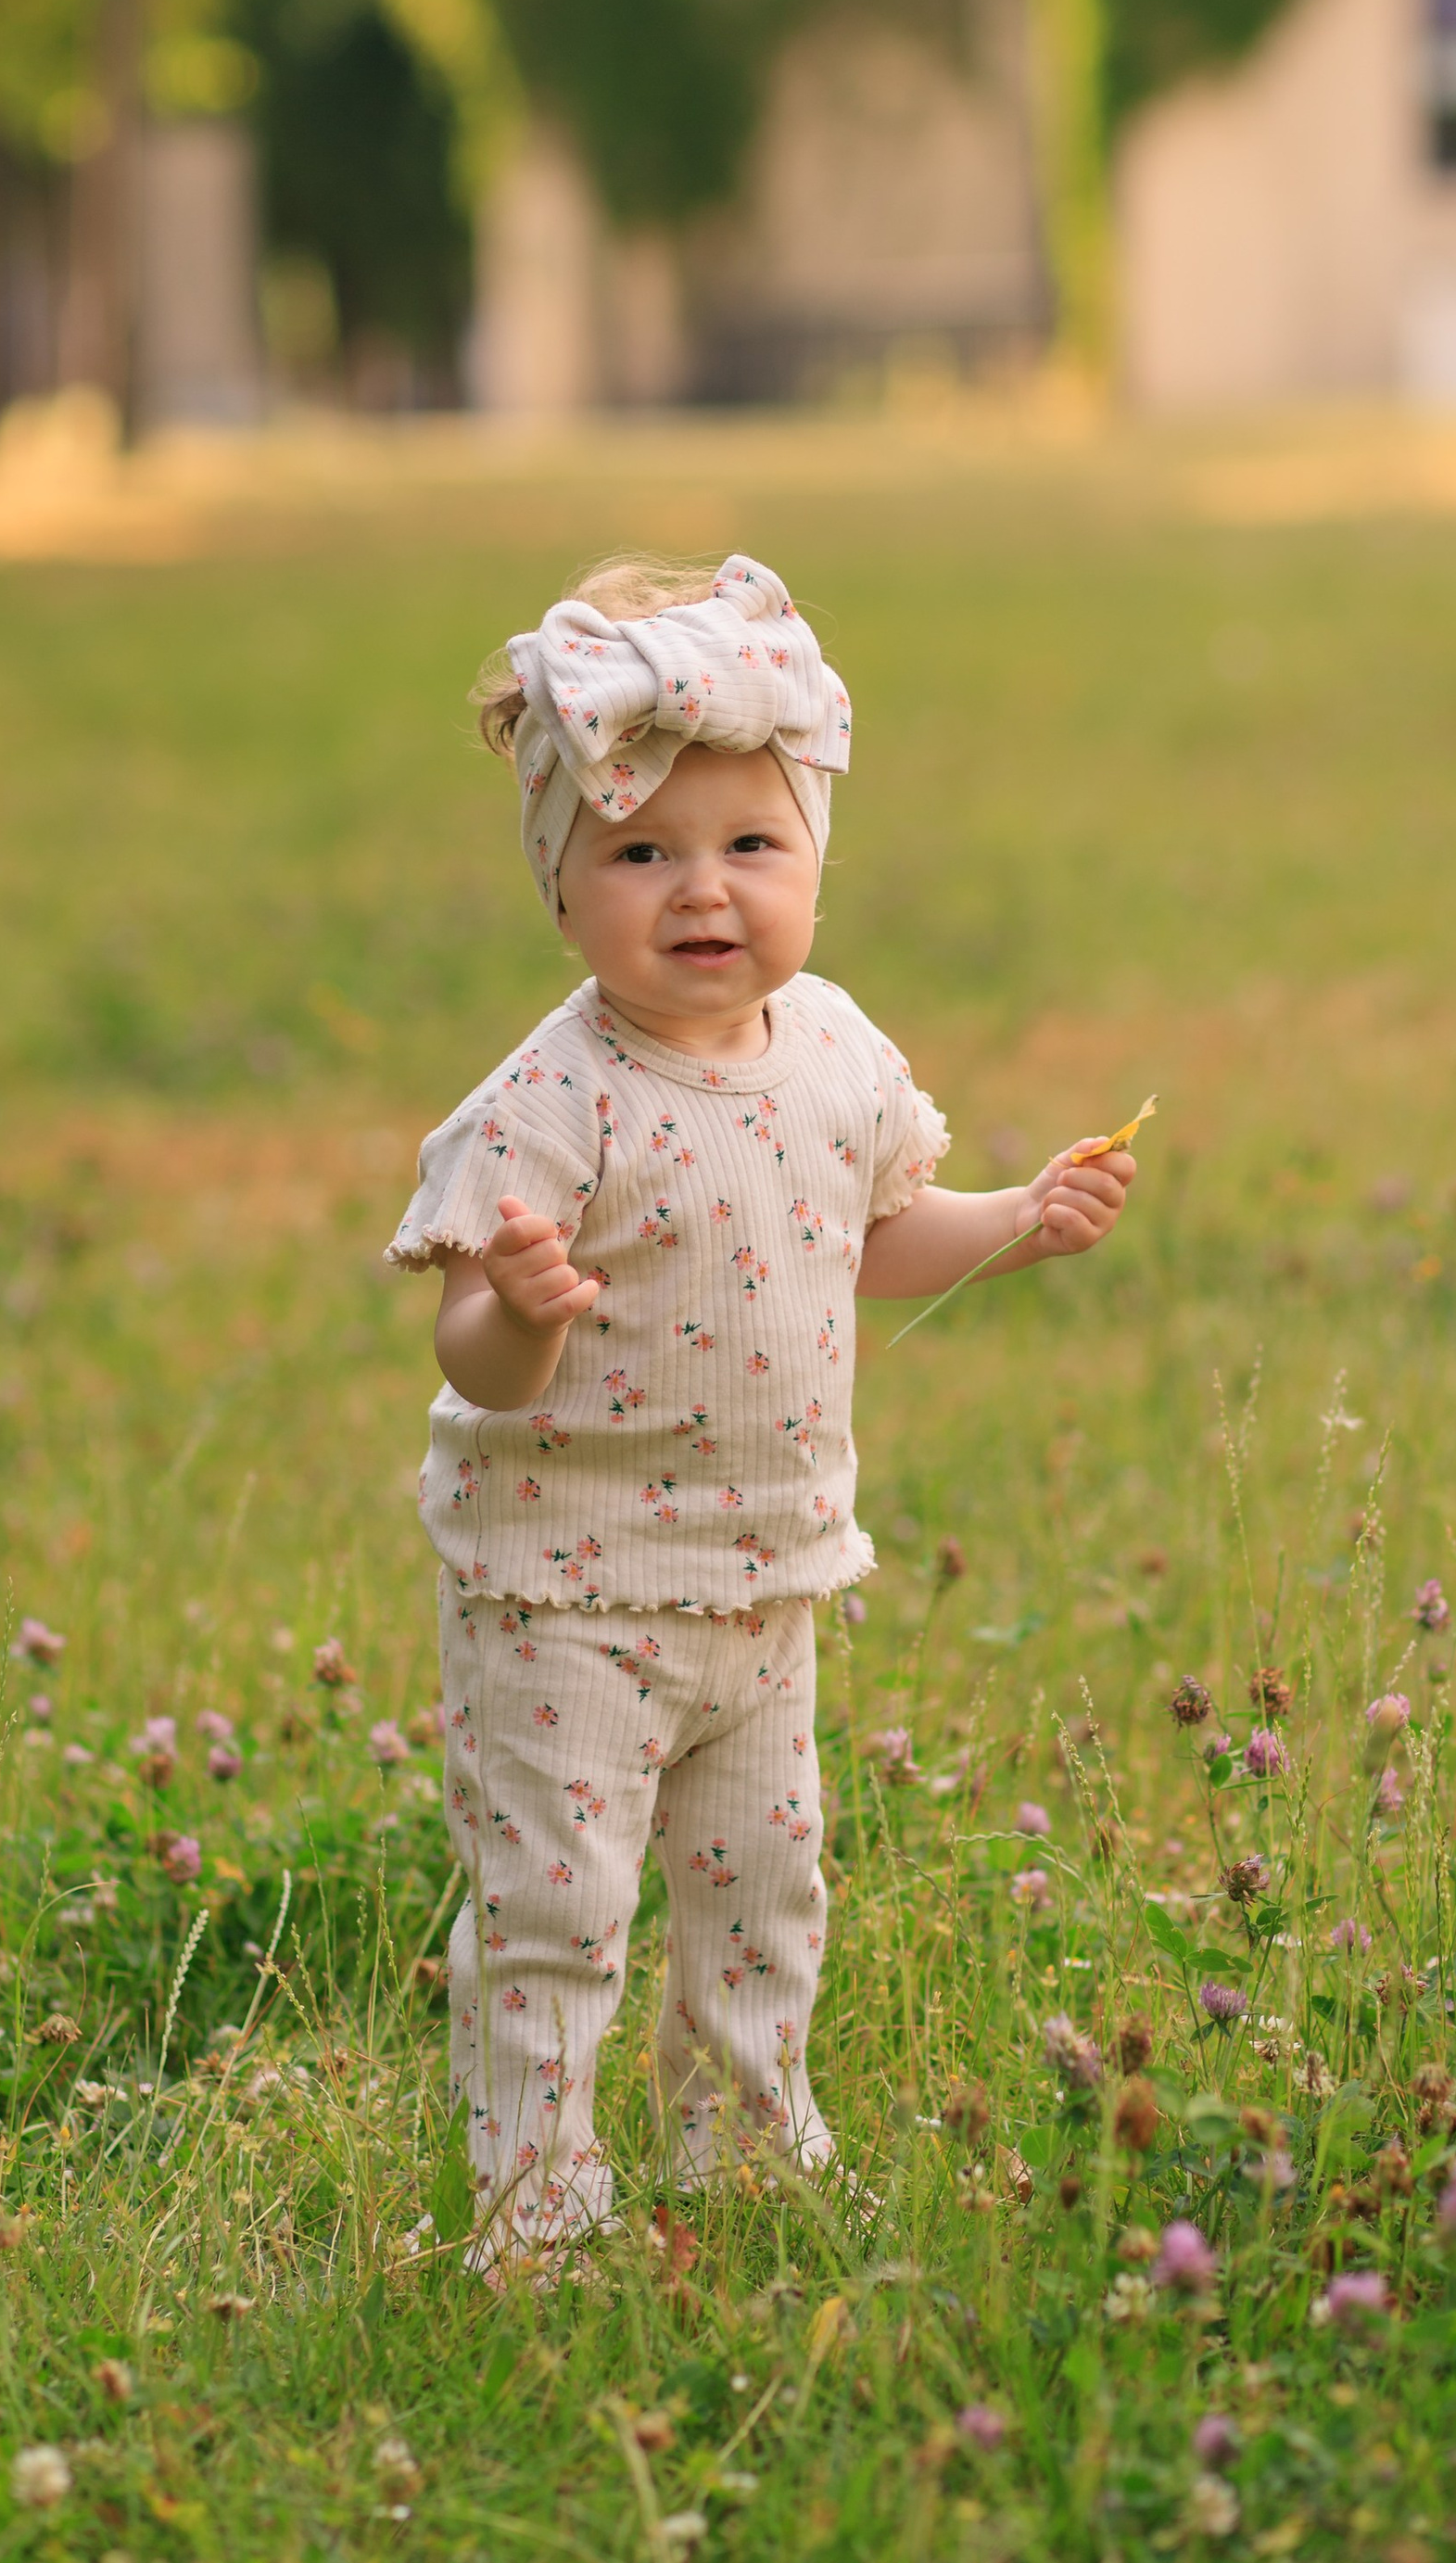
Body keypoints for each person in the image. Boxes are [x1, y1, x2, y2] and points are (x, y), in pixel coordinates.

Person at [386, 552, 1135, 2264]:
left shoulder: (835, 1053)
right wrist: (517, 1305)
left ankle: (744, 2137)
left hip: (766, 1579)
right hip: (565, 1589)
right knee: (555, 1909)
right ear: (561, 885)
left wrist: (1017, 1219)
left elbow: (874, 1236)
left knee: (761, 1896)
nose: (700, 889)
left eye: (749, 845)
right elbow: (468, 1359)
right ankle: (537, 2196)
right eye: (641, 850)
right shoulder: (547, 1099)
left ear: (813, 858)